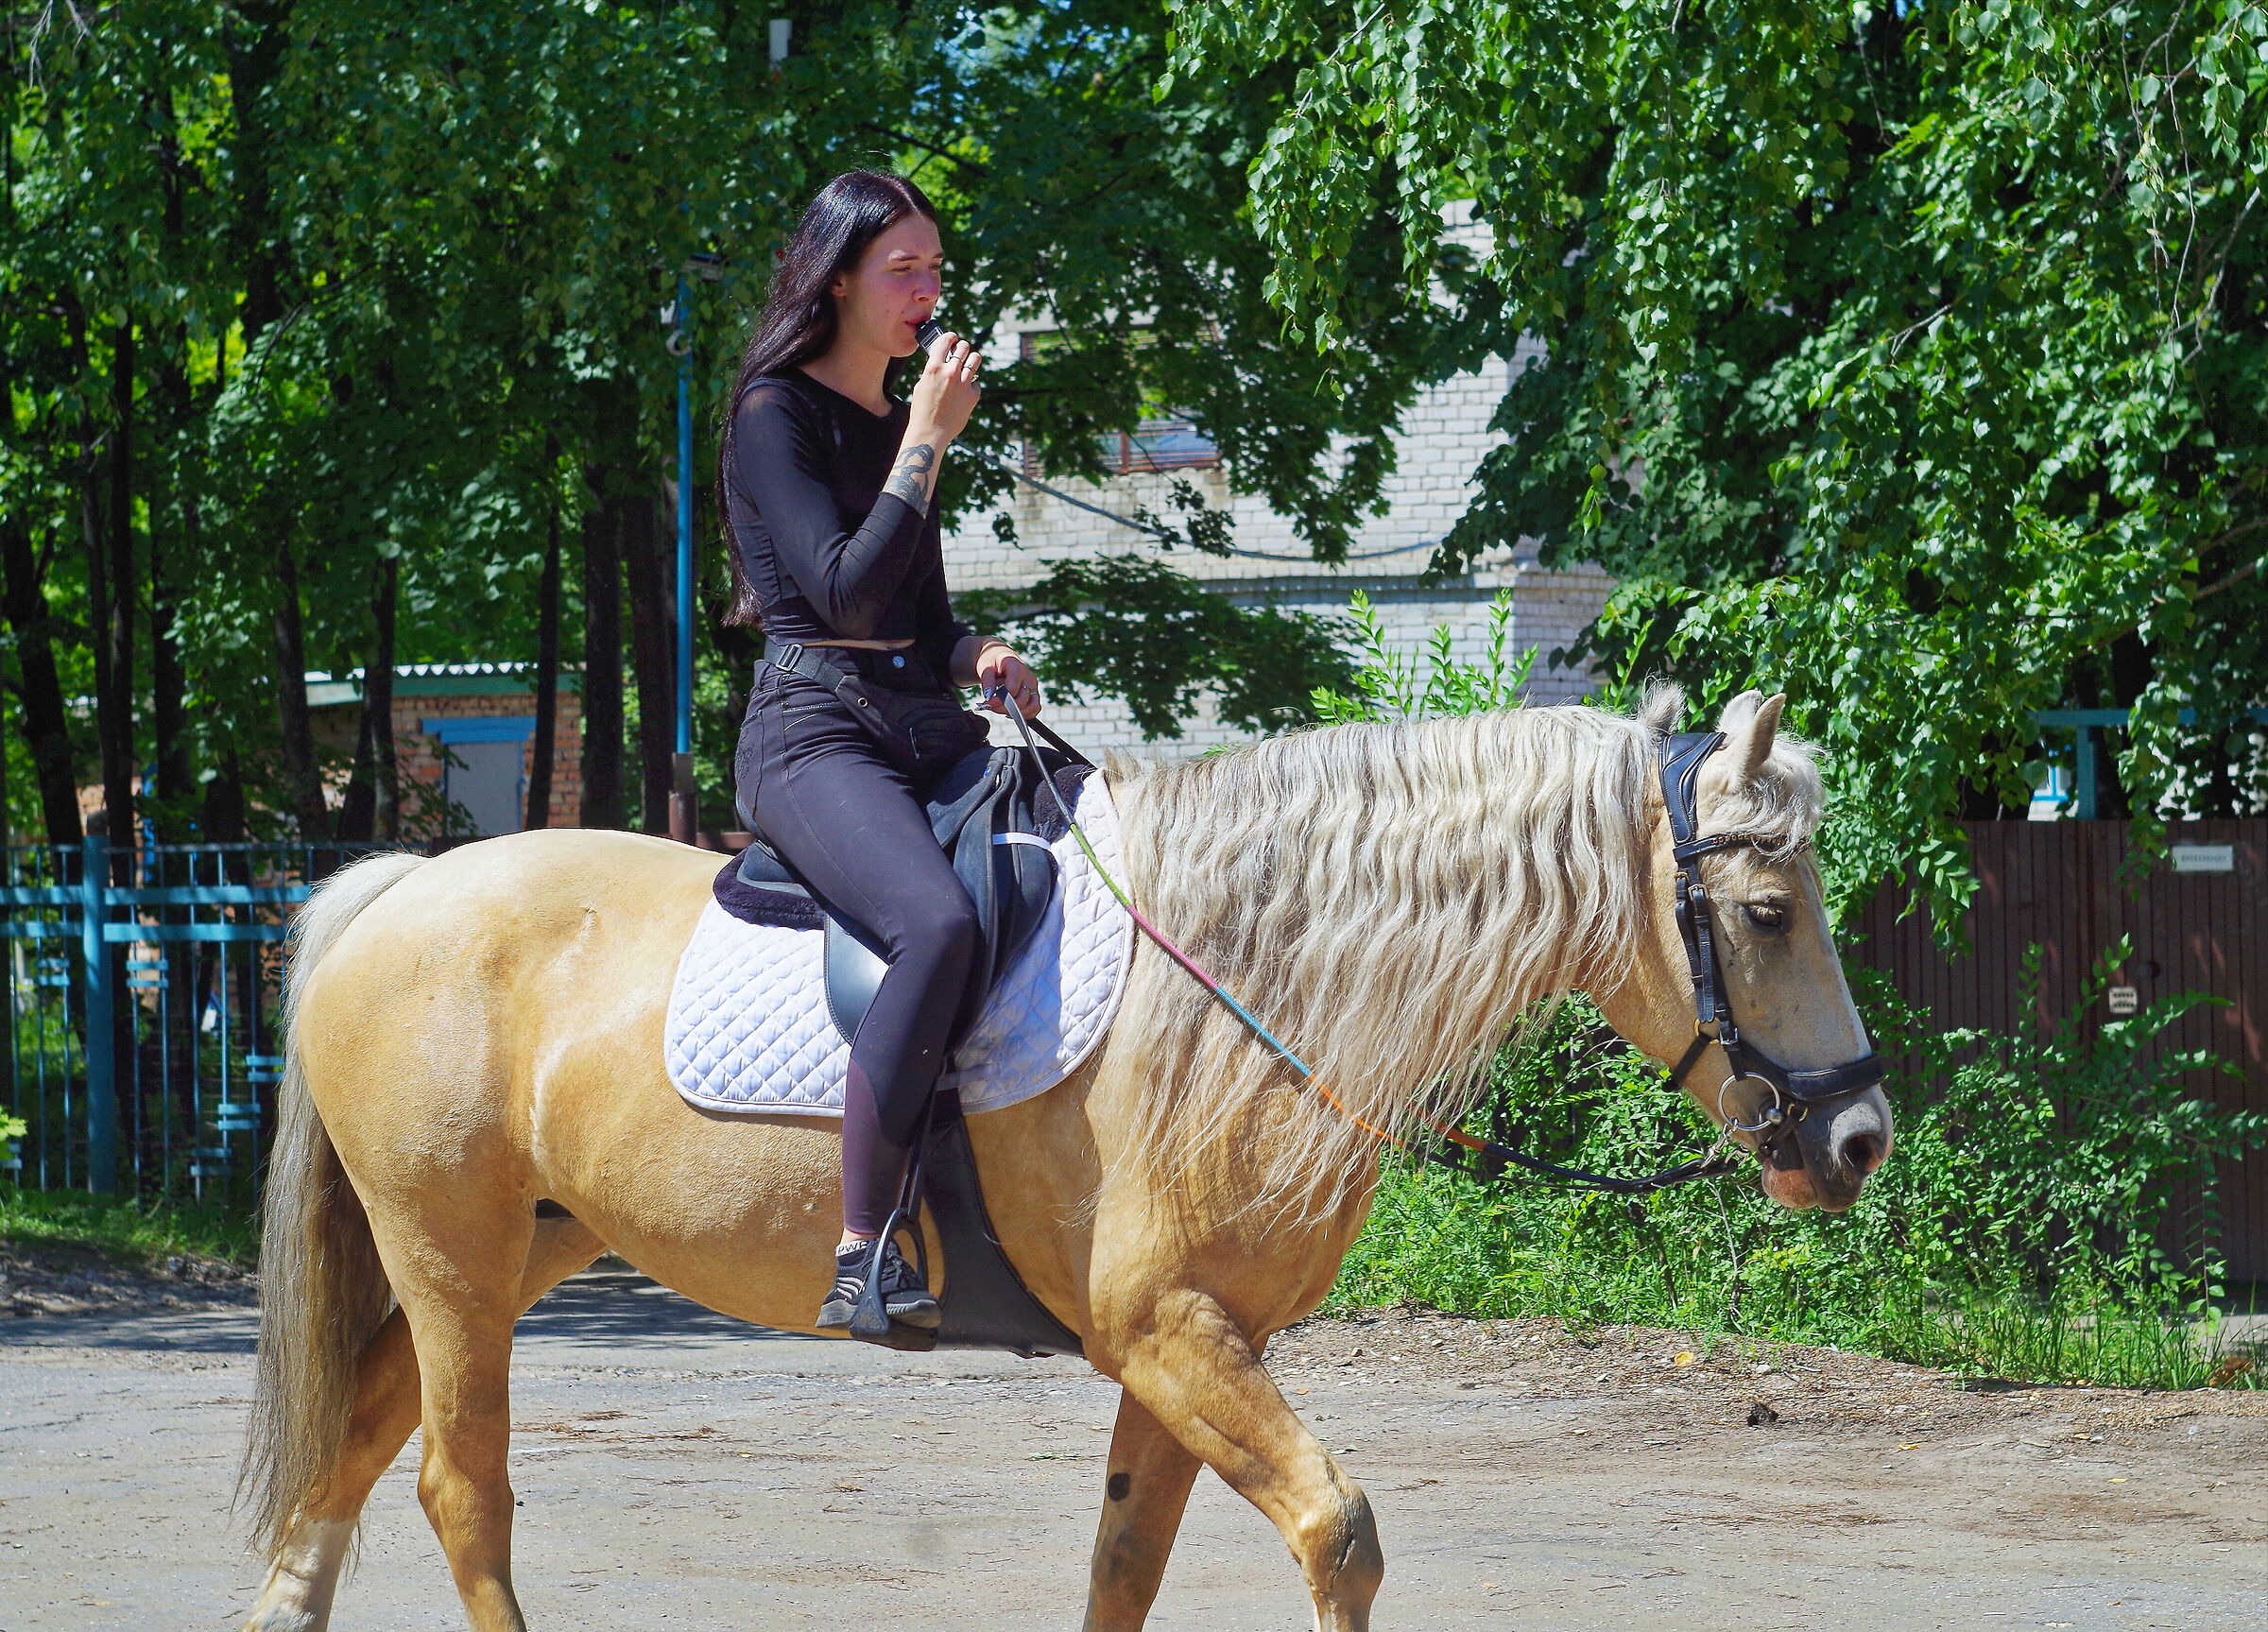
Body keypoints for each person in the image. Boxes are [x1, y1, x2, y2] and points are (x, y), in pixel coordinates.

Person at [719, 170, 1043, 1334]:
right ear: (840, 278)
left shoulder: (899, 423)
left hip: (918, 720)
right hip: (813, 734)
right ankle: (862, 1252)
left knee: (1090, 843)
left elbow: (921, 613)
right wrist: (924, 442)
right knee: (938, 922)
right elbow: (847, 596)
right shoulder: (775, 413)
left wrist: (980, 654)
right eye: (904, 269)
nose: (928, 291)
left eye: (937, 269)